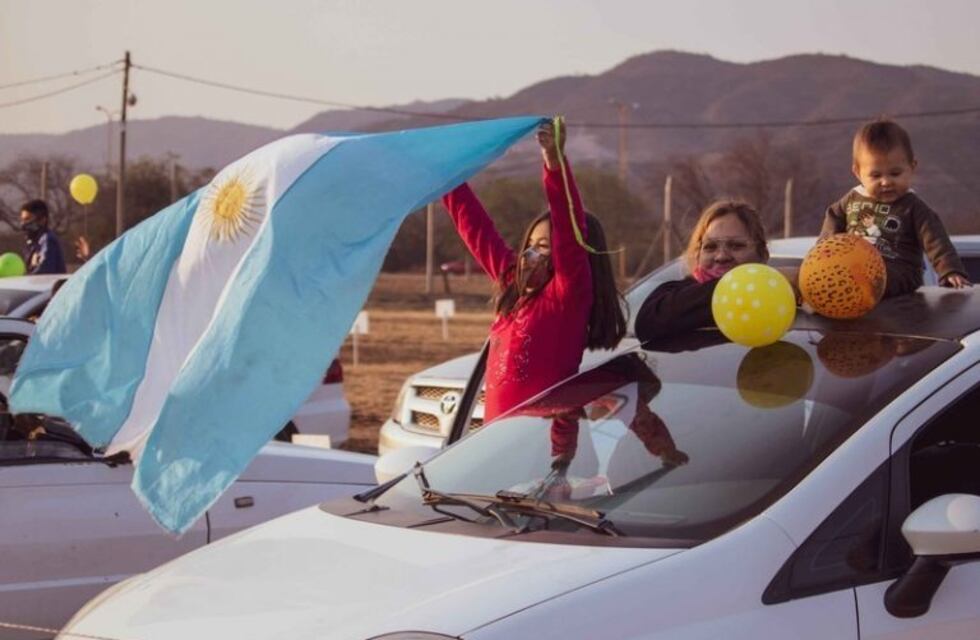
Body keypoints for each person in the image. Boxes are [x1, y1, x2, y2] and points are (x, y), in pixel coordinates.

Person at [442, 120, 626, 421]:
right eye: (531, 244)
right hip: (494, 444)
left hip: (539, 450)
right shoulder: (513, 286)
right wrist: (446, 174)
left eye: (544, 247)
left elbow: (569, 228)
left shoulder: (567, 298)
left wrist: (554, 163)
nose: (531, 254)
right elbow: (474, 226)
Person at [820, 118, 971, 297]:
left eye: (895, 173)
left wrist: (950, 271)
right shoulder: (852, 198)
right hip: (857, 265)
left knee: (868, 279)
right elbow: (833, 218)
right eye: (875, 175)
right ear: (858, 173)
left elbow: (936, 241)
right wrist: (823, 255)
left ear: (911, 167)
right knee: (808, 275)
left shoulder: (913, 207)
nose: (886, 182)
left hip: (898, 271)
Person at [634, 200, 770, 343]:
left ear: (762, 254)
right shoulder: (671, 296)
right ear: (698, 254)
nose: (721, 256)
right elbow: (646, 326)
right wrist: (754, 282)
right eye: (710, 247)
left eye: (736, 246)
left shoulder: (781, 296)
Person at [19, 199, 66, 275]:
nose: (23, 224)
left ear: (42, 220)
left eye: (28, 219)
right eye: (22, 220)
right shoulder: (32, 244)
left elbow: (44, 272)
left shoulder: (48, 241)